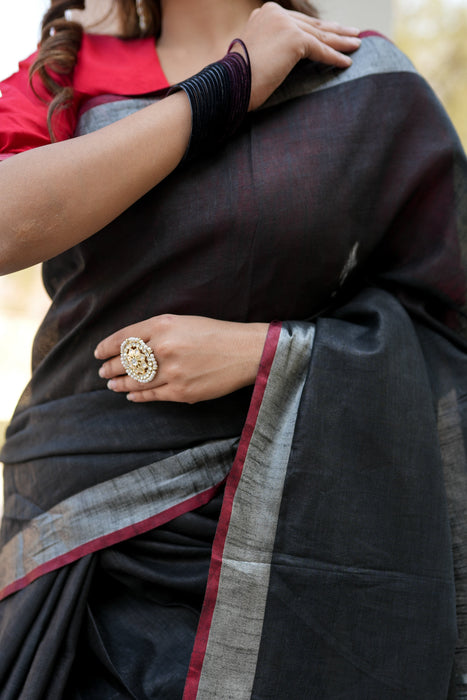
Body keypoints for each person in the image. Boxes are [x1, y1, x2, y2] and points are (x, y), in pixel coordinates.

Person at [0, 0, 466, 697]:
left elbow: (446, 321)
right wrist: (232, 83)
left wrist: (266, 354)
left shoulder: (364, 80)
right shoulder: (69, 76)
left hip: (306, 555)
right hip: (82, 551)